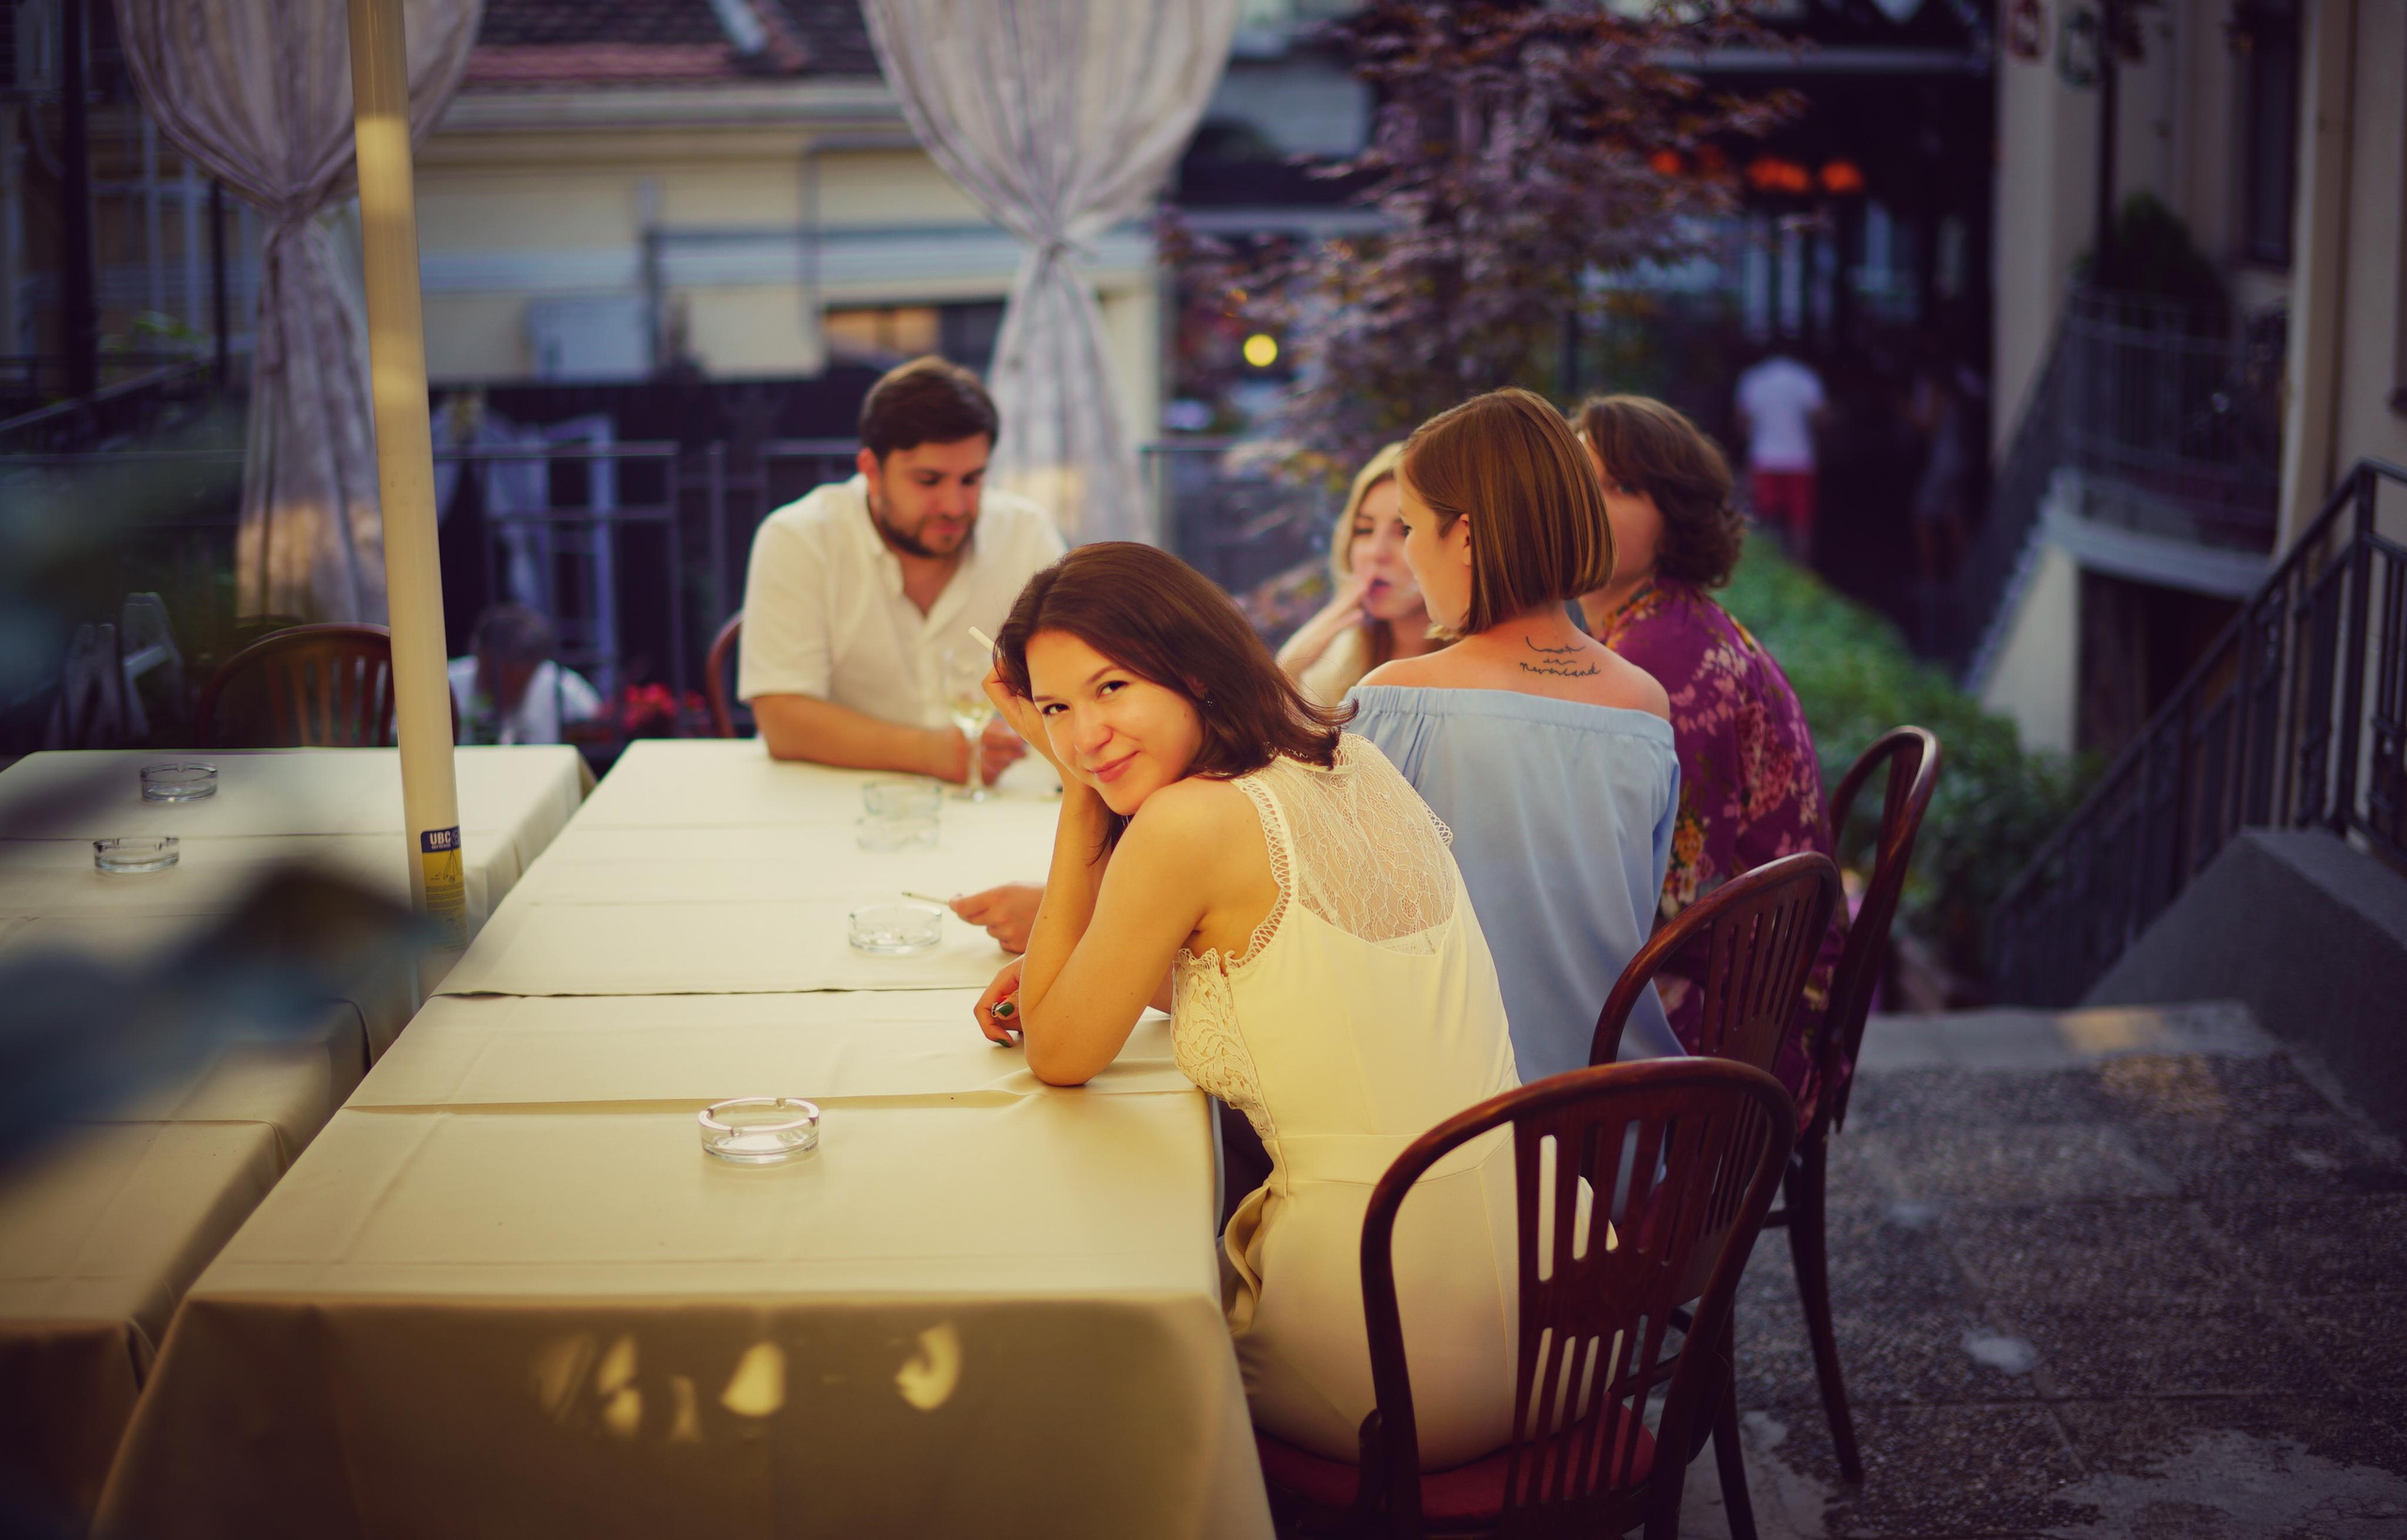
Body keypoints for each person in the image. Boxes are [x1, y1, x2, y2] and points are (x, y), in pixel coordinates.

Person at [970, 542, 1520, 1469]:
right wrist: (1073, 966)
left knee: (1054, 1377)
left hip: (1384, 1347)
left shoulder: (1189, 822)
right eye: (1055, 709)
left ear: (1189, 665)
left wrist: (1074, 799)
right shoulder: (1349, 755)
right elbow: (1279, 977)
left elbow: (1060, 1054)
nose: (1082, 735)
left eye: (1111, 688)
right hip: (1539, 1302)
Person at [1344, 388, 1682, 1080]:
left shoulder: (1394, 704)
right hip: (1621, 1119)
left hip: (1458, 1136)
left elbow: (1350, 946)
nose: (1405, 554)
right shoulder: (1645, 707)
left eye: (1409, 526)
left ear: (1463, 535)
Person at [1573, 394, 1847, 1106]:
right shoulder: (1652, 626)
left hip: (1749, 1023)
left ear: (1676, 519)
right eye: (1577, 481)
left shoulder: (1665, 650)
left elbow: (1666, 889)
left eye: (1621, 487)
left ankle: (1581, 1213)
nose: (1588, 504)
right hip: (1745, 977)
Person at [736, 355, 1064, 783]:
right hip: (843, 798)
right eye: (928, 481)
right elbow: (781, 719)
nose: (954, 506)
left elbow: (1077, 668)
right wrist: (937, 753)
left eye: (971, 480)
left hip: (1006, 790)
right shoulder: (799, 539)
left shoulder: (1024, 532)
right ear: (872, 471)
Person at [1271, 444, 1441, 704]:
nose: (1376, 552)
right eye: (1364, 530)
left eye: (1404, 531)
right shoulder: (1330, 669)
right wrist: (1289, 668)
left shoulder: (1482, 677)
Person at [447, 604, 602, 746]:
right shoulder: (445, 687)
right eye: (492, 680)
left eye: (514, 686)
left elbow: (598, 729)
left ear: (536, 667)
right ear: (478, 654)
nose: (502, 693)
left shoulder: (563, 690)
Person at [1734, 351, 1827, 562]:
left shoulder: (1754, 378)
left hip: (1764, 460)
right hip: (1800, 460)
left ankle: (1769, 574)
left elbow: (1742, 423)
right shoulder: (1805, 376)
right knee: (1801, 524)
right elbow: (1820, 417)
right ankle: (1802, 578)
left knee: (1764, 522)